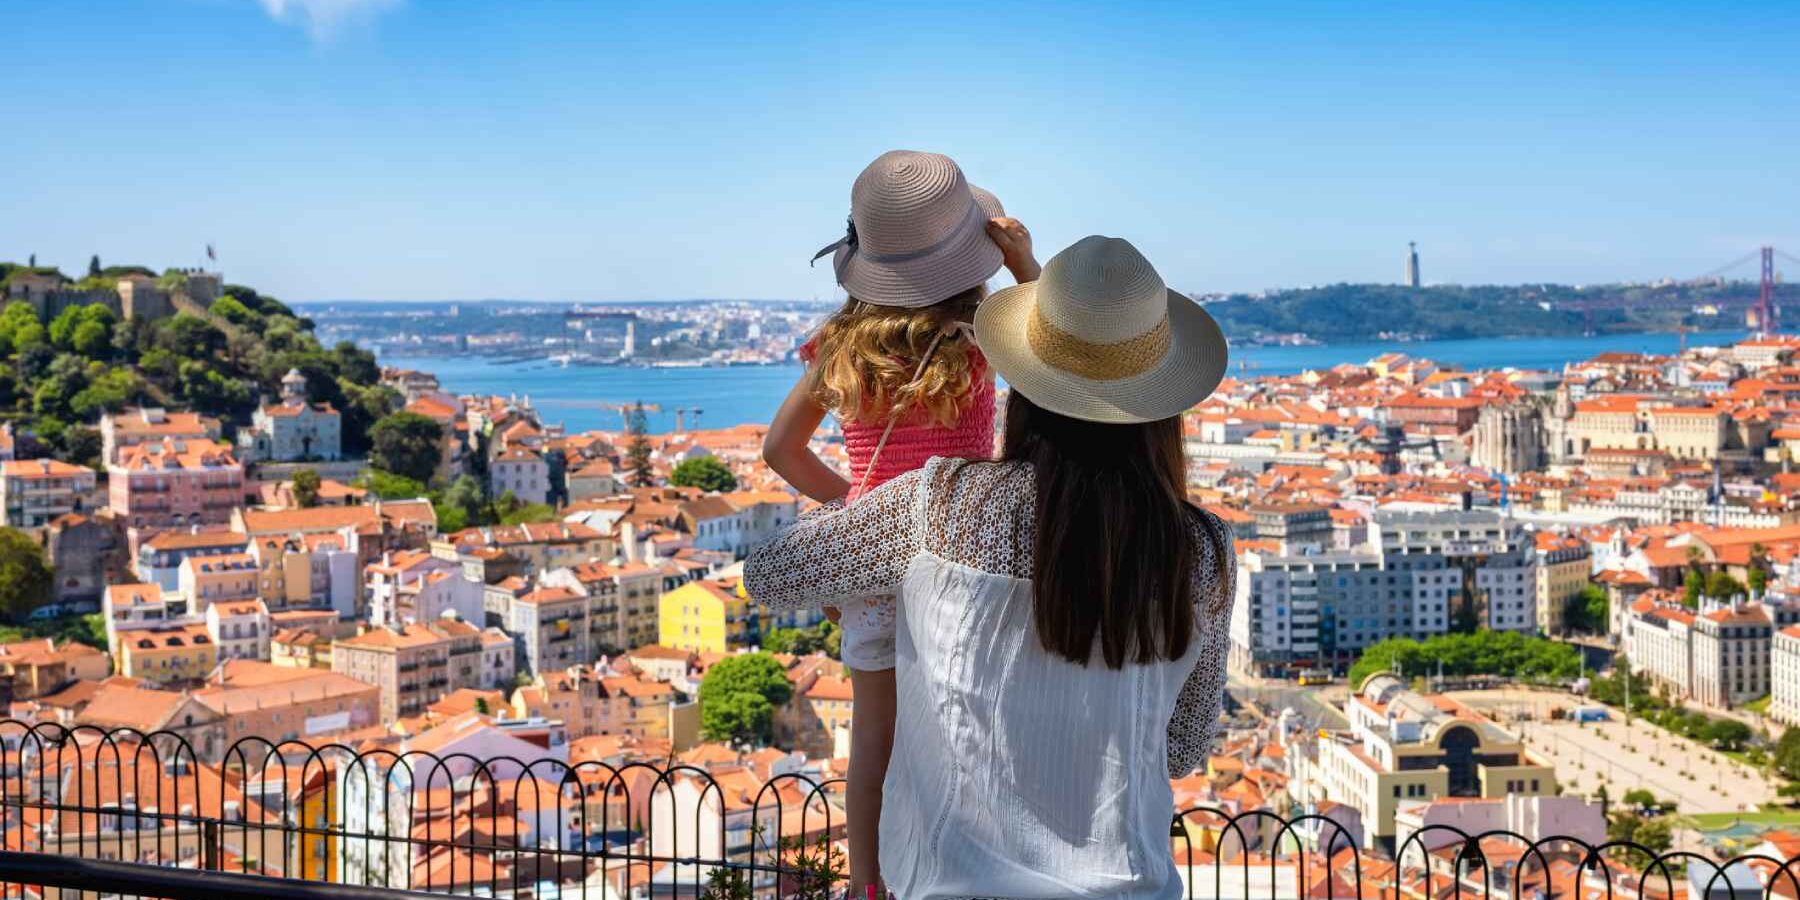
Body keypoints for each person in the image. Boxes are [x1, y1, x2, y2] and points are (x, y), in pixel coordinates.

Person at [747, 235, 1235, 899]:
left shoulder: (945, 504)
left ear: (1023, 388)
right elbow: (1179, 749)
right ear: (1162, 406)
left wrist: (856, 546)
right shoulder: (1204, 552)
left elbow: (769, 575)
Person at [761, 149, 1040, 896]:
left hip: (876, 563)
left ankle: (867, 883)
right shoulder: (980, 337)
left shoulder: (840, 349)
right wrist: (1025, 265)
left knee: (874, 743)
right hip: (963, 559)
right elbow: (1064, 364)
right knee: (968, 736)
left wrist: (855, 513)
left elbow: (779, 451)